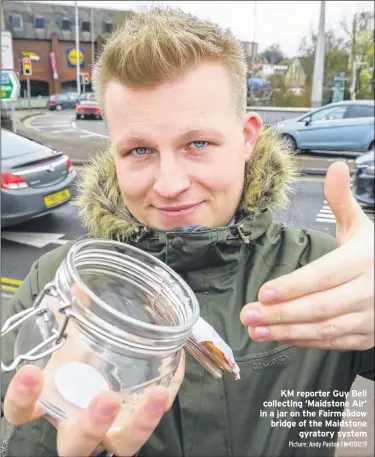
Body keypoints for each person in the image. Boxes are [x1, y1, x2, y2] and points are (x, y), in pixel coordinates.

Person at [1, 6, 374, 457]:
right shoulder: (58, 283)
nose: (170, 184)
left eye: (198, 144)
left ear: (248, 137)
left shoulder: (327, 271)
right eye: (140, 149)